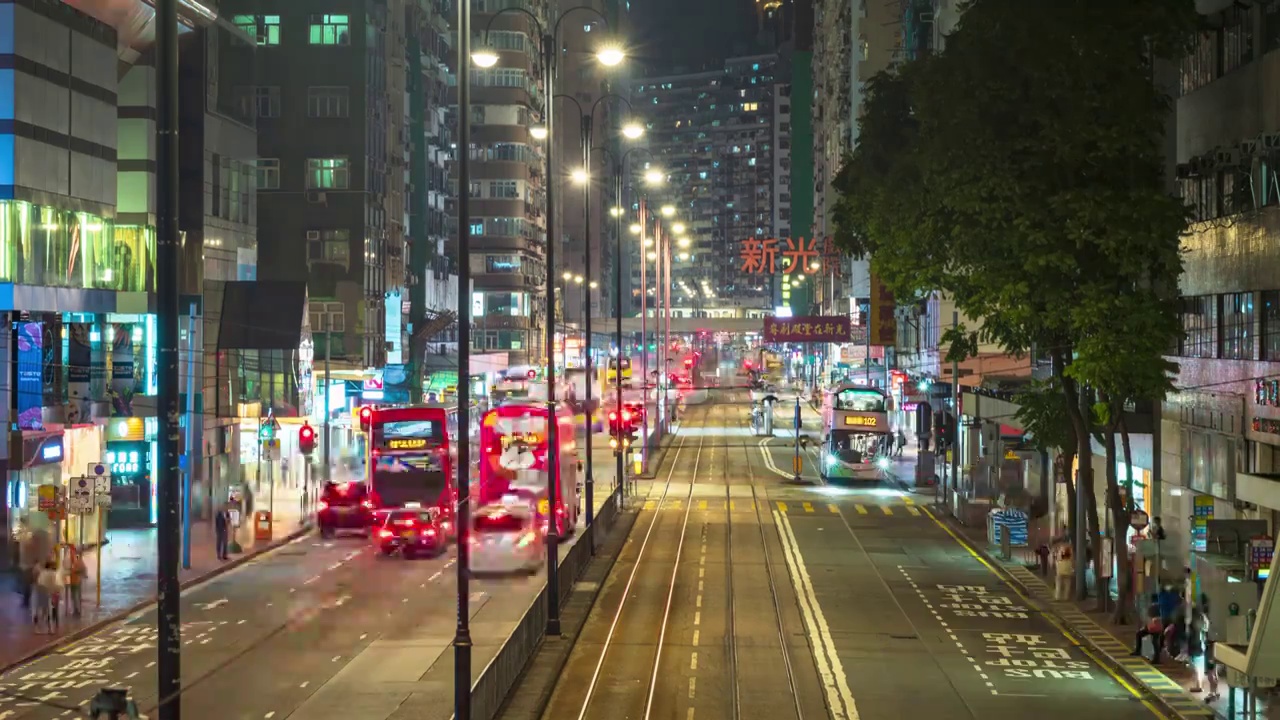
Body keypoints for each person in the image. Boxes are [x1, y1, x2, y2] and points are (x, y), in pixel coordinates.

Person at [1133, 594, 1164, 663]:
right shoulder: (1159, 606)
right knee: (1155, 642)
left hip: (1153, 626)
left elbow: (1149, 618)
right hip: (1157, 626)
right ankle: (1156, 658)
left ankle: (1139, 651)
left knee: (1140, 635)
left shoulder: (1152, 607)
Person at [65, 546, 87, 617]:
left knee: (75, 596)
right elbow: (83, 569)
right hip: (74, 580)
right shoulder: (77, 559)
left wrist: (73, 571)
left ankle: (76, 610)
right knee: (75, 596)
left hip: (75, 580)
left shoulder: (76, 560)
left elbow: (80, 569)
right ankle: (76, 610)